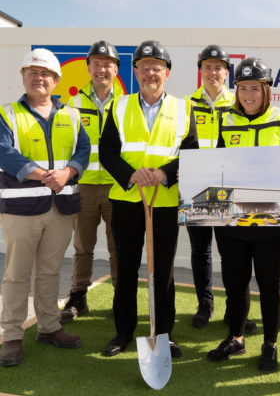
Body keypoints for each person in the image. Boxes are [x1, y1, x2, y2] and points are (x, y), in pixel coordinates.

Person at [99, 40, 198, 358]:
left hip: (166, 202)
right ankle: (122, 332)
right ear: (135, 72)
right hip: (128, 200)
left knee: (162, 270)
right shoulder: (119, 105)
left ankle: (163, 333)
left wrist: (164, 173)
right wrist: (131, 175)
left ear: (167, 73)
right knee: (126, 268)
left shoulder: (184, 108)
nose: (150, 73)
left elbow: (191, 153)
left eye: (157, 67)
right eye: (144, 67)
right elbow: (107, 151)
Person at [207, 57, 280, 373]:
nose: (248, 94)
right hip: (232, 220)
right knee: (234, 282)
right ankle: (236, 337)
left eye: (254, 88)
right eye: (242, 88)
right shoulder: (226, 120)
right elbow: (216, 168)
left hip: (271, 222)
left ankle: (270, 345)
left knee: (269, 283)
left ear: (265, 90)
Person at [0, 49, 91, 366]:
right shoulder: (7, 113)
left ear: (56, 80)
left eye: (46, 74)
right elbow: (3, 152)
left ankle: (49, 326)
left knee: (50, 271)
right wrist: (41, 175)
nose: (39, 78)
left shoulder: (72, 115)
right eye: (32, 72)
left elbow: (83, 150)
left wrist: (69, 173)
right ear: (24, 76)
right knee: (17, 276)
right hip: (20, 210)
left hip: (61, 207)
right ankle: (11, 336)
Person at [185, 45, 257, 333]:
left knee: (232, 253)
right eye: (207, 67)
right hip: (197, 188)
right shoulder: (185, 103)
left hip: (231, 191)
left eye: (218, 67)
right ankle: (205, 304)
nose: (212, 72)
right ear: (200, 70)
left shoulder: (240, 103)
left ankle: (234, 308)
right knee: (200, 250)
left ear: (227, 72)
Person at [60, 41, 124, 324]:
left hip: (118, 187)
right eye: (96, 63)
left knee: (119, 247)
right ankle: (78, 296)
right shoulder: (71, 103)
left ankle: (121, 298)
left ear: (116, 69)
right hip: (83, 186)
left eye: (107, 63)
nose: (101, 69)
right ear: (88, 67)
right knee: (82, 247)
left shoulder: (127, 104)